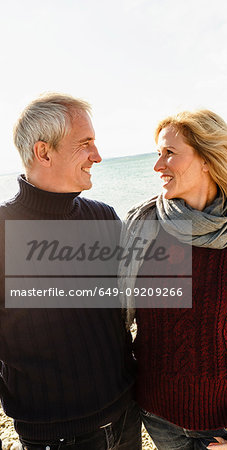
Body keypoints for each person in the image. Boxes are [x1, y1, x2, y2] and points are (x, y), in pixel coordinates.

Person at [120, 110, 227, 449]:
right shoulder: (143, 229)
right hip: (156, 414)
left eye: (170, 153)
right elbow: (111, 318)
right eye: (158, 153)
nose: (158, 166)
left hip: (226, 420)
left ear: (208, 159)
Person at [0, 94, 141, 449]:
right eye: (85, 144)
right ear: (44, 153)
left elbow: (143, 299)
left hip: (125, 414)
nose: (98, 155)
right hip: (55, 434)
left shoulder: (104, 216)